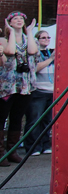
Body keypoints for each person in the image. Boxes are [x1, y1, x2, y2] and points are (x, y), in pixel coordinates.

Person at [0, 11, 38, 166]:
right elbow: (9, 52)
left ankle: (12, 151)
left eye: (21, 18)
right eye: (15, 19)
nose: (19, 20)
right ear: (9, 22)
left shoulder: (28, 39)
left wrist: (29, 32)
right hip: (8, 85)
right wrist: (11, 32)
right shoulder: (3, 40)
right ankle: (1, 152)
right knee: (2, 118)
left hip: (24, 85)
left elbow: (32, 51)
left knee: (17, 119)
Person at [23, 30, 54, 156]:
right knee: (34, 119)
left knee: (47, 120)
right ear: (37, 39)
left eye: (48, 37)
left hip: (51, 90)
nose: (46, 39)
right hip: (38, 90)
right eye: (43, 37)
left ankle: (45, 144)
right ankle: (33, 146)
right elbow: (35, 68)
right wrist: (51, 59)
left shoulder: (50, 52)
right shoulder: (34, 53)